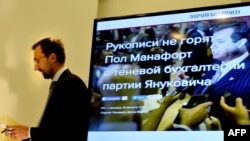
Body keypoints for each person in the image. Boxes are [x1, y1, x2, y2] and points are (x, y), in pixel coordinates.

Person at [5, 37, 91, 141]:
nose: (35, 67)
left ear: (52, 58)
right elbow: (54, 129)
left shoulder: (71, 84)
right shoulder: (61, 83)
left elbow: (68, 132)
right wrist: (27, 135)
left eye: (37, 61)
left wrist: (29, 132)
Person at [176, 19, 250, 129]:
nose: (212, 46)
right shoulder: (217, 62)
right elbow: (206, 91)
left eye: (220, 42)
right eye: (213, 41)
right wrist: (187, 84)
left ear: (240, 43)